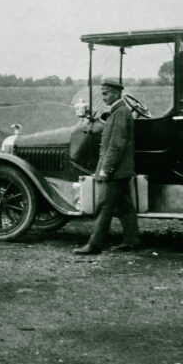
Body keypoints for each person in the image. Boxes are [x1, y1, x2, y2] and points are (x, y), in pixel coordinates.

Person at [75, 78, 138, 254]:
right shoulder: (120, 111)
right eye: (102, 93)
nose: (103, 97)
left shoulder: (120, 113)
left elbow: (116, 145)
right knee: (125, 206)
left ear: (116, 93)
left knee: (104, 206)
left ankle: (94, 245)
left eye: (106, 93)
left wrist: (105, 169)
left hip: (116, 171)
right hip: (122, 169)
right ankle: (132, 241)